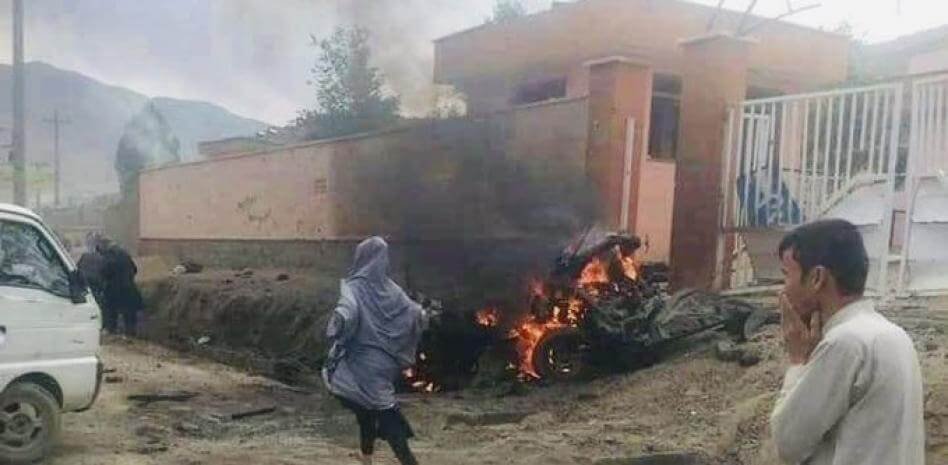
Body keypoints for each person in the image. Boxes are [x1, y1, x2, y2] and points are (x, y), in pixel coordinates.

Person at [770, 219, 924, 465]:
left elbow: (788, 442)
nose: (782, 292)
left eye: (786, 276)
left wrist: (798, 362)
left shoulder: (845, 343)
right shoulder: (895, 335)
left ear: (817, 278)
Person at [322, 237, 427, 465]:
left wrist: (337, 325)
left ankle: (409, 462)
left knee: (385, 413)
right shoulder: (390, 288)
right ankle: (366, 456)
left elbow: (346, 313)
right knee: (366, 410)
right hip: (385, 364)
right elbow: (412, 312)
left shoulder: (355, 288)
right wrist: (423, 315)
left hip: (364, 367)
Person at [98, 238, 144, 337]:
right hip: (129, 287)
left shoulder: (108, 256)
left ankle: (111, 331)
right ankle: (130, 334)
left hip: (113, 289)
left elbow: (104, 271)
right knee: (129, 313)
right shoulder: (125, 255)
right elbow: (134, 269)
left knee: (110, 311)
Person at [77, 233, 110, 327]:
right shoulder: (102, 259)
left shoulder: (85, 256)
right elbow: (105, 273)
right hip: (97, 287)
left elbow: (78, 269)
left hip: (86, 286)